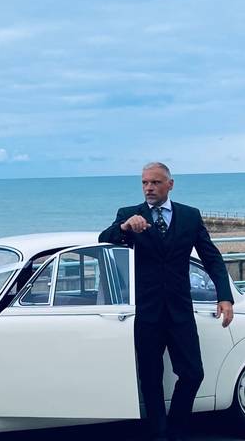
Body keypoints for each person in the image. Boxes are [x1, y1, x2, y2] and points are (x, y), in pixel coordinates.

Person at [99, 162, 233, 441]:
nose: (149, 188)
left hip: (180, 310)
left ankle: (177, 427)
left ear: (170, 184)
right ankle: (160, 433)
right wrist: (125, 228)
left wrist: (224, 296)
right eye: (145, 183)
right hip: (146, 312)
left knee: (193, 373)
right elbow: (105, 239)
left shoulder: (190, 216)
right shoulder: (129, 214)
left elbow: (211, 257)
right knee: (150, 378)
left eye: (155, 183)